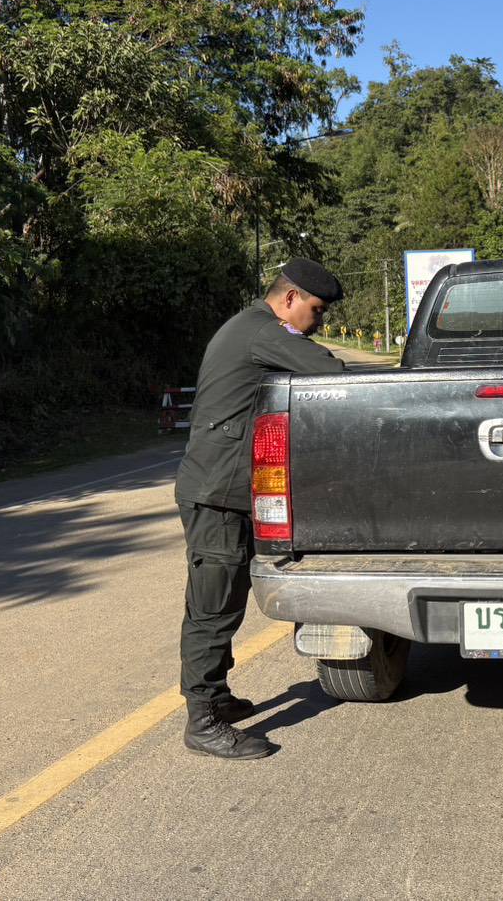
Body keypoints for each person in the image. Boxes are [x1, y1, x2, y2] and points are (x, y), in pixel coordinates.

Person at [175, 258, 346, 759]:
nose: (317, 322)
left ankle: (216, 697)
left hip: (227, 490)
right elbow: (330, 371)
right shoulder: (261, 331)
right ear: (290, 298)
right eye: (316, 310)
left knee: (223, 601)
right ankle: (202, 721)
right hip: (217, 494)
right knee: (213, 608)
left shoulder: (251, 328)